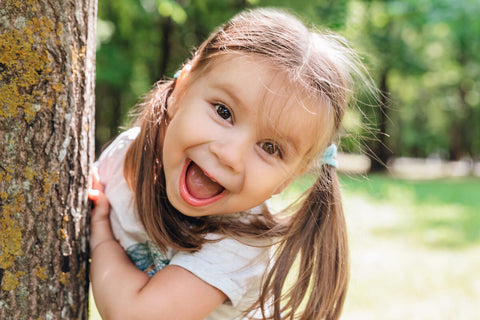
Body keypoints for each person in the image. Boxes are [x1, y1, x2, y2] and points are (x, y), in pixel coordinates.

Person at [89, 7, 375, 320]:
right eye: (223, 112)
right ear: (181, 91)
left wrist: (101, 236)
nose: (230, 155)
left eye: (270, 148)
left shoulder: (239, 245)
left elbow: (136, 315)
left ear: (288, 179)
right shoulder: (122, 158)